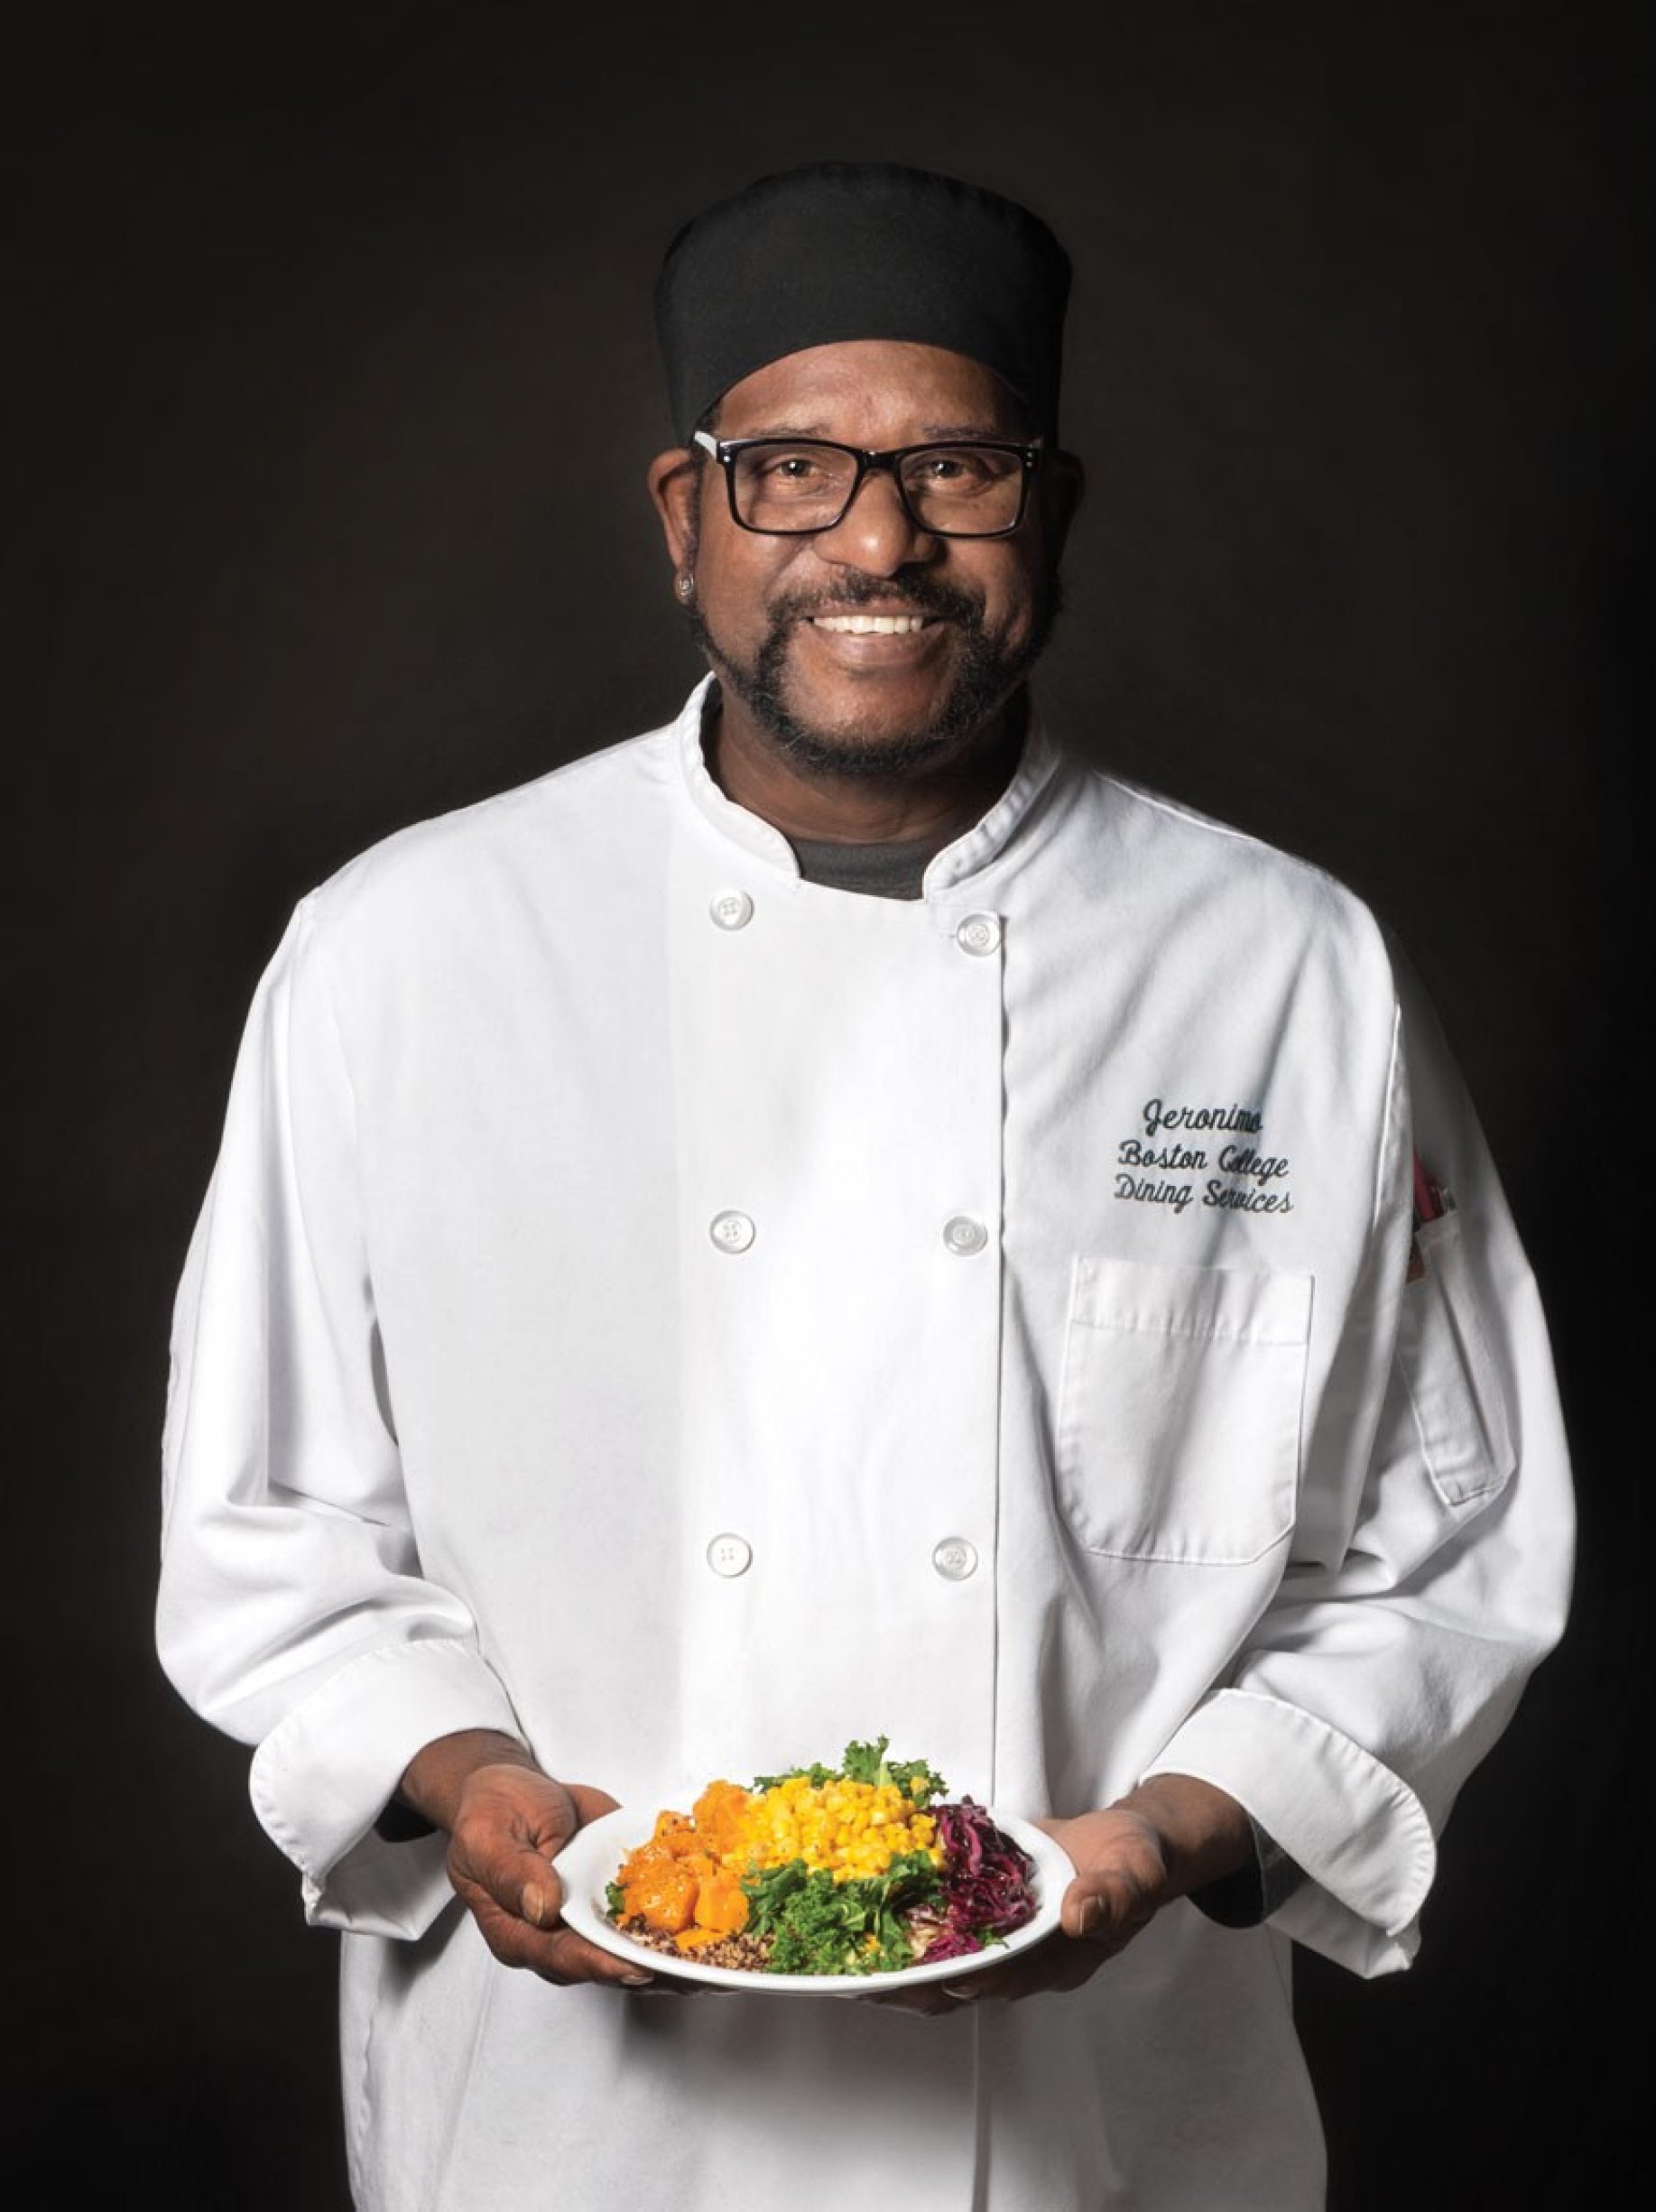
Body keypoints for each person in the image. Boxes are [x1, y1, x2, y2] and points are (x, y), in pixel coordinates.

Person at [157, 162, 1573, 2211]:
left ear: (1052, 509)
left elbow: (1451, 1546)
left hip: (1098, 2131)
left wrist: (1173, 1829)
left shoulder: (1288, 969)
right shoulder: (407, 947)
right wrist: (466, 1782)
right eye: (793, 469)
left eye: (960, 467)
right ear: (687, 519)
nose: (881, 541)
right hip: (574, 2139)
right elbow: (266, 1521)